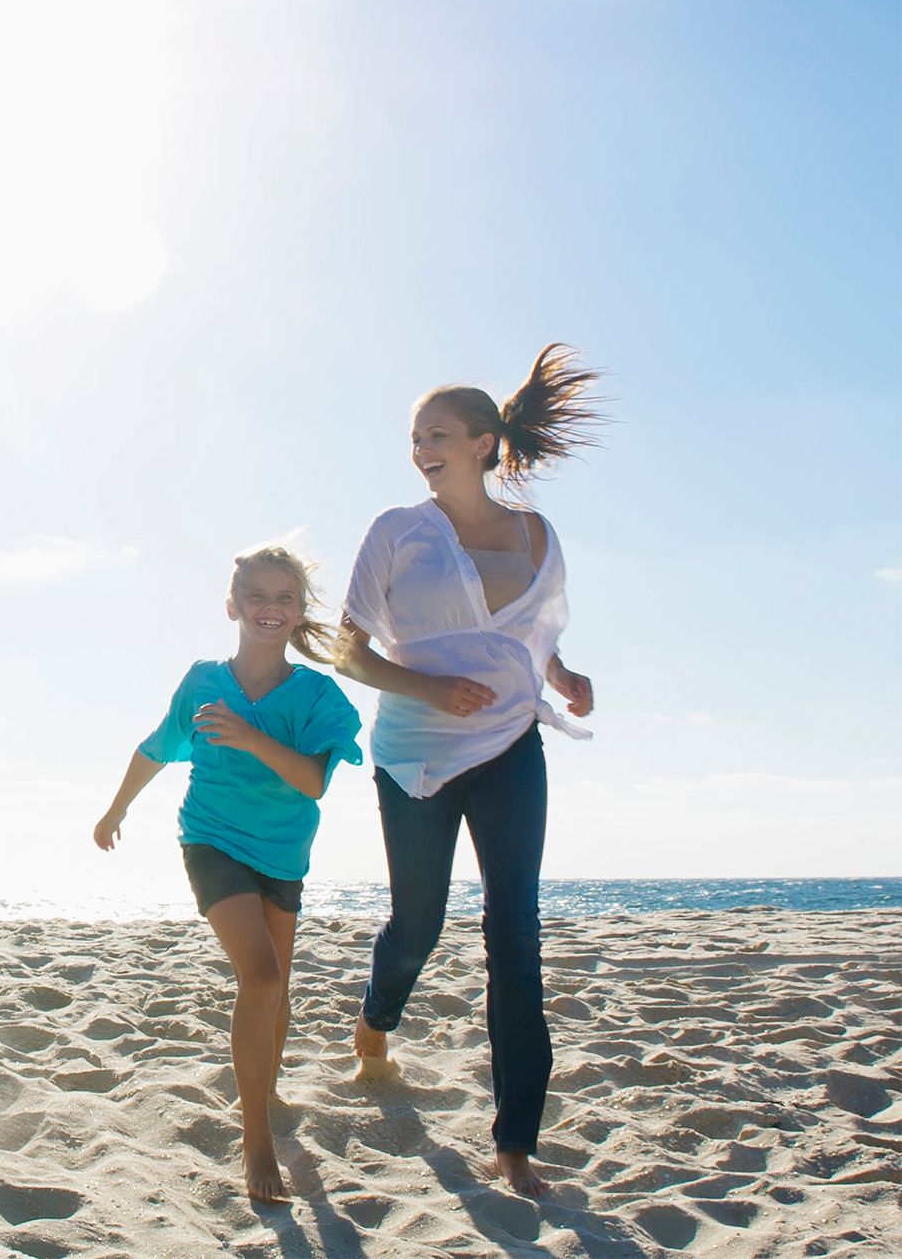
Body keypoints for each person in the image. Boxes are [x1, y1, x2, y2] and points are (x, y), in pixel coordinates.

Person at [335, 344, 606, 1197]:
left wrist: (562, 678)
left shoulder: (534, 533)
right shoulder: (395, 531)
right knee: (418, 925)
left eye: (438, 434)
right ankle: (376, 1019)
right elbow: (347, 649)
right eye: (415, 437)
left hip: (509, 745)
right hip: (415, 753)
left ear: (486, 442)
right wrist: (426, 685)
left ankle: (516, 1141)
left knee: (514, 935)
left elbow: (535, 629)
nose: (421, 448)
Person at [92, 545, 363, 1205]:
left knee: (279, 991)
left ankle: (263, 1086)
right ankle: (257, 1137)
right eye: (257, 596)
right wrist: (116, 807)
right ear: (233, 606)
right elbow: (157, 746)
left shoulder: (318, 693)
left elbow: (312, 781)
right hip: (212, 840)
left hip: (283, 854)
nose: (270, 608)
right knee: (260, 976)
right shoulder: (203, 681)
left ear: (300, 612)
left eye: (285, 598)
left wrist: (248, 737)